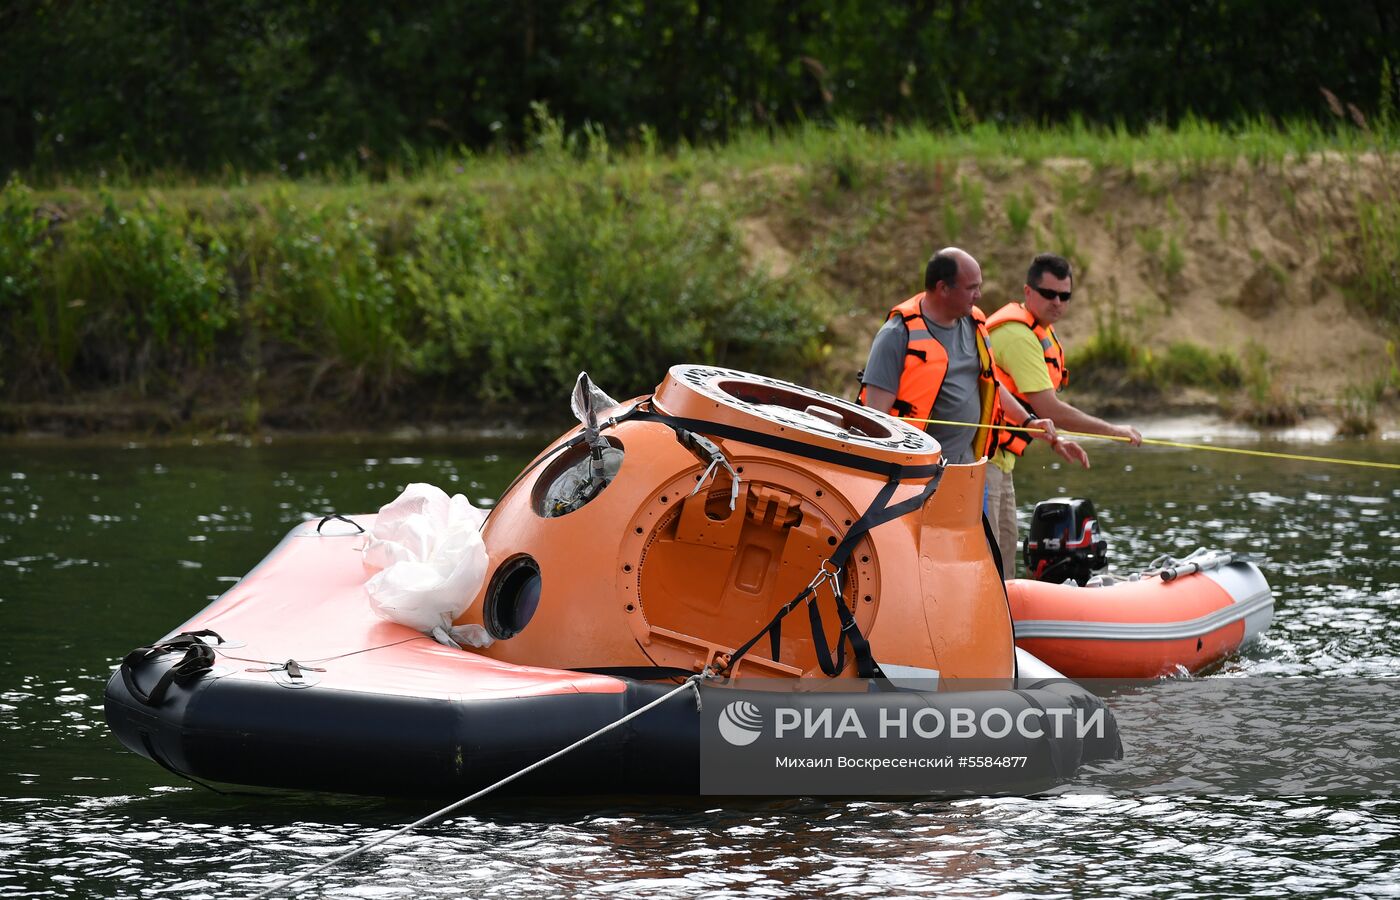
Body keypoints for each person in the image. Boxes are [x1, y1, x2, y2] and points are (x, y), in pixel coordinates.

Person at [858, 248, 1089, 559]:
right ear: (943, 288)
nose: (979, 295)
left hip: (969, 474)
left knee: (982, 560)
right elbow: (875, 418)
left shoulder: (974, 324)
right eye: (971, 288)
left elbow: (992, 385)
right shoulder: (896, 335)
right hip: (919, 483)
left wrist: (1028, 423)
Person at [983, 252, 1142, 575]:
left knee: (1004, 561)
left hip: (1001, 460)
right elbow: (1048, 408)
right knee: (991, 561)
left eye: (1064, 296)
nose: (1057, 302)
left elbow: (1029, 410)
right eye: (1049, 294)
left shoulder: (1040, 332)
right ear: (1029, 293)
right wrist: (1114, 431)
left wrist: (1055, 441)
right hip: (982, 460)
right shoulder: (1018, 337)